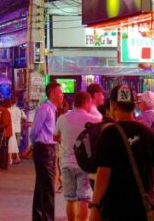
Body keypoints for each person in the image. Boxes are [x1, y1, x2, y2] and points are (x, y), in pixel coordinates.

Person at [87, 84, 154, 221]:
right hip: (142, 207)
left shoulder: (109, 133)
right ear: (134, 105)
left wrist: (95, 206)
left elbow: (103, 173)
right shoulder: (147, 133)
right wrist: (151, 196)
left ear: (113, 105)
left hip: (114, 208)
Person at [56, 91, 102, 221]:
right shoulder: (95, 120)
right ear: (87, 102)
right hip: (84, 165)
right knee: (83, 199)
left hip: (66, 163)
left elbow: (55, 136)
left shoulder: (62, 118)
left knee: (70, 199)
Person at [30, 82, 63, 221]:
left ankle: (39, 216)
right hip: (44, 149)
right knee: (48, 186)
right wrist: (34, 145)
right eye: (60, 93)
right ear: (52, 94)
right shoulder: (45, 109)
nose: (62, 96)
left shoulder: (53, 109)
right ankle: (47, 217)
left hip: (48, 149)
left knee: (42, 185)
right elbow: (35, 130)